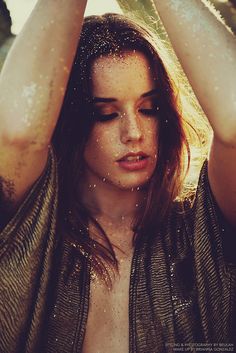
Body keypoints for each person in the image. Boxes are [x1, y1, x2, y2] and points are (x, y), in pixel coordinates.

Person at [0, 0, 236, 352]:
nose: (134, 132)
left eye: (149, 108)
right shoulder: (33, 232)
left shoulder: (202, 230)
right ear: (68, 122)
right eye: (105, 114)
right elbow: (17, 134)